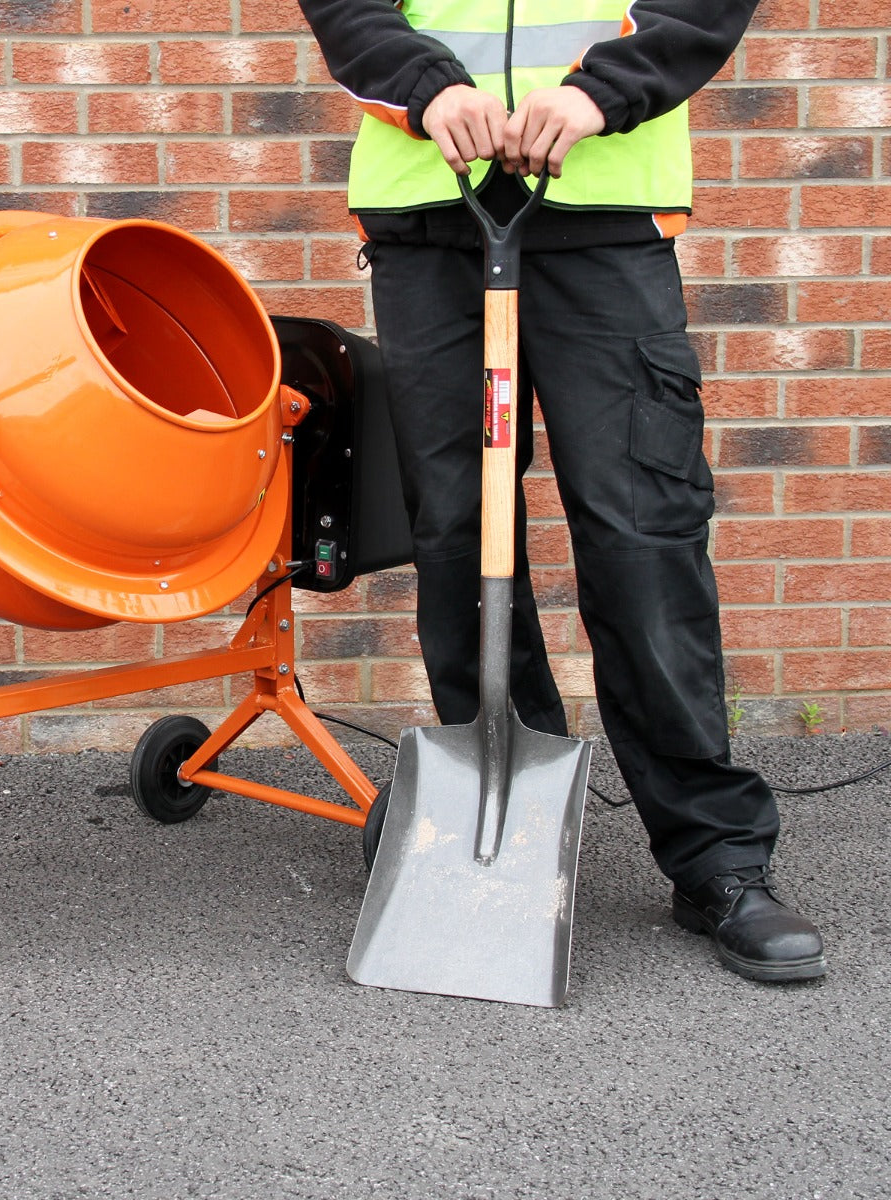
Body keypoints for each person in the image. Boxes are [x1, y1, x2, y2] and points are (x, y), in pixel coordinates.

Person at [297, 0, 826, 981]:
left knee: (642, 534)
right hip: (430, 208)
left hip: (603, 204)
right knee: (455, 531)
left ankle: (716, 853)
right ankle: (506, 813)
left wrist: (597, 94)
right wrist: (428, 89)